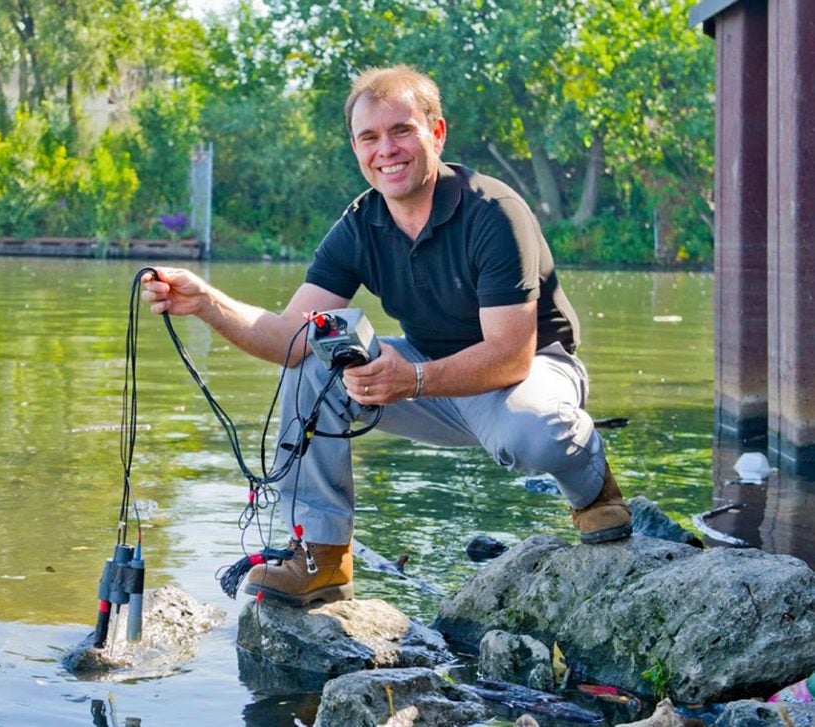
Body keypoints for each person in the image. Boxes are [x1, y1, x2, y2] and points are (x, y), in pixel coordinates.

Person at [141, 64, 631, 607]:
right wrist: (207, 303)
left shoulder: (495, 212)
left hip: (527, 369)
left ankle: (592, 485)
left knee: (532, 435)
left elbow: (511, 356)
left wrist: (413, 378)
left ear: (436, 133)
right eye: (369, 137)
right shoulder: (358, 224)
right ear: (355, 148)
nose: (386, 150)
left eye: (402, 130)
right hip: (427, 374)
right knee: (315, 361)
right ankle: (322, 558)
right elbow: (288, 337)